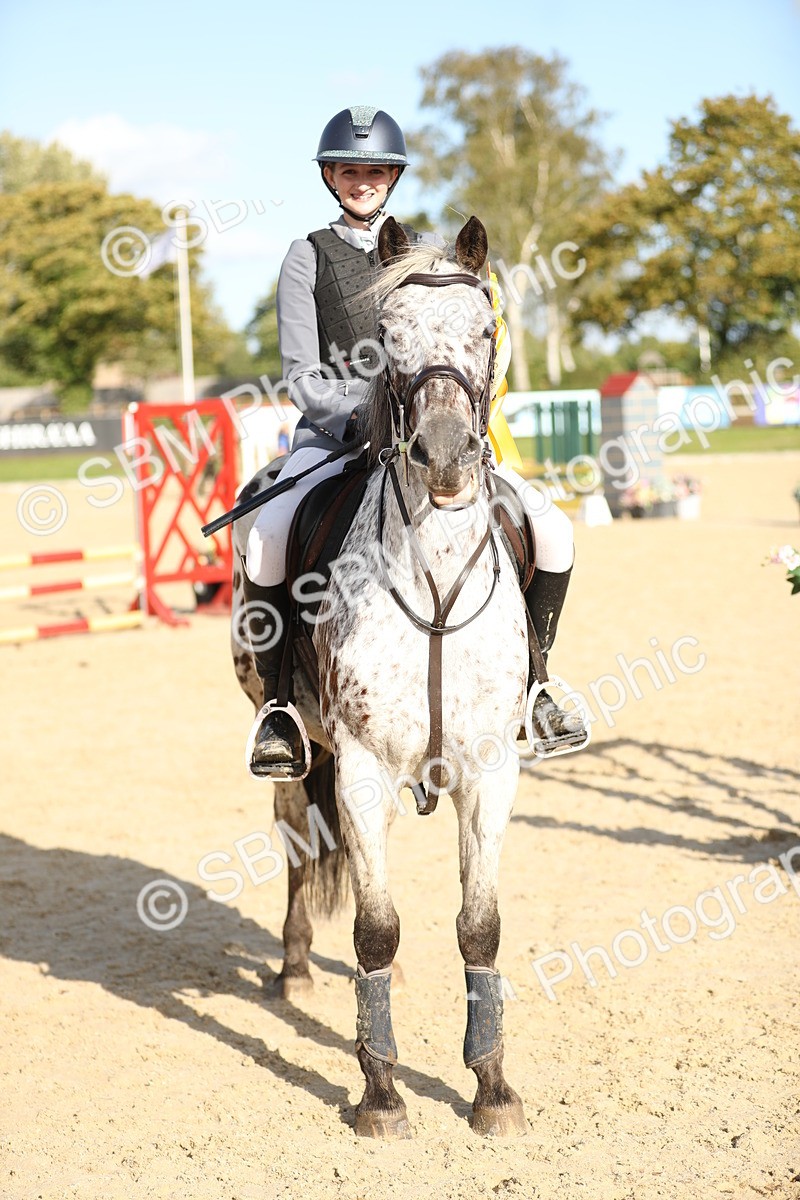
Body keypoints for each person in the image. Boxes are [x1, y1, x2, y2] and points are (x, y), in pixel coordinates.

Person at [242, 106, 585, 779]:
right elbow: (302, 376)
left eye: (375, 171)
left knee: (553, 530)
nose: (362, 181)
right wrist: (365, 413)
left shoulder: (431, 252)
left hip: (433, 432)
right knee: (267, 535)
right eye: (349, 171)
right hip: (336, 438)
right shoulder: (306, 256)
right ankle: (280, 706)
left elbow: (470, 338)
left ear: (393, 177)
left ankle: (538, 683)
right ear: (330, 176)